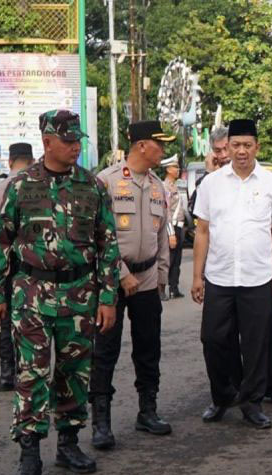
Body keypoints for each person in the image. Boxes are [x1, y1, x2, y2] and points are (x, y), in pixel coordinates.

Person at [0, 109, 120, 475]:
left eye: (78, 140)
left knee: (74, 371)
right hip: (31, 293)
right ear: (47, 141)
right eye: (67, 140)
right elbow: (1, 241)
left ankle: (68, 443)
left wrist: (108, 298)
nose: (75, 146)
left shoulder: (92, 186)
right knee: (31, 373)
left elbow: (108, 245)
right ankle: (29, 449)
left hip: (80, 294)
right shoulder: (20, 186)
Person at [191, 118, 272, 428]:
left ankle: (252, 402)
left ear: (257, 147)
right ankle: (222, 396)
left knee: (256, 344)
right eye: (236, 145)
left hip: (258, 278)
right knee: (213, 339)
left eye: (248, 145)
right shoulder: (211, 183)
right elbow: (202, 232)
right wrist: (196, 276)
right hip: (219, 277)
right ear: (227, 148)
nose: (242, 151)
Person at [89, 120, 175, 450]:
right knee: (105, 351)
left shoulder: (157, 186)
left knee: (149, 347)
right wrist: (120, 272)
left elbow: (163, 237)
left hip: (148, 279)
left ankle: (147, 411)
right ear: (142, 145)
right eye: (159, 144)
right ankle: (101, 421)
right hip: (112, 280)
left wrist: (163, 277)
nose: (163, 151)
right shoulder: (107, 181)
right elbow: (96, 236)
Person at [0, 143, 35, 392]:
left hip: (3, 265)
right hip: (30, 267)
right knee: (31, 317)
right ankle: (26, 368)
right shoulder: (36, 187)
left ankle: (7, 372)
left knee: (5, 318)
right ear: (31, 161)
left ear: (10, 161)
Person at [189, 126, 228, 217]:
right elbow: (194, 210)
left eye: (226, 149)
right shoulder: (210, 180)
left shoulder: (247, 176)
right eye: (218, 151)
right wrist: (208, 172)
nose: (224, 155)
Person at [162, 156, 185, 300]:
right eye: (175, 167)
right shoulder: (165, 187)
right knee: (168, 260)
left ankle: (174, 288)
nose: (177, 170)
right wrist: (171, 234)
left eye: (177, 167)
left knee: (177, 261)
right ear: (168, 169)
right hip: (172, 228)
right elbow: (167, 212)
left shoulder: (174, 185)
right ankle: (162, 288)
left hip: (180, 227)